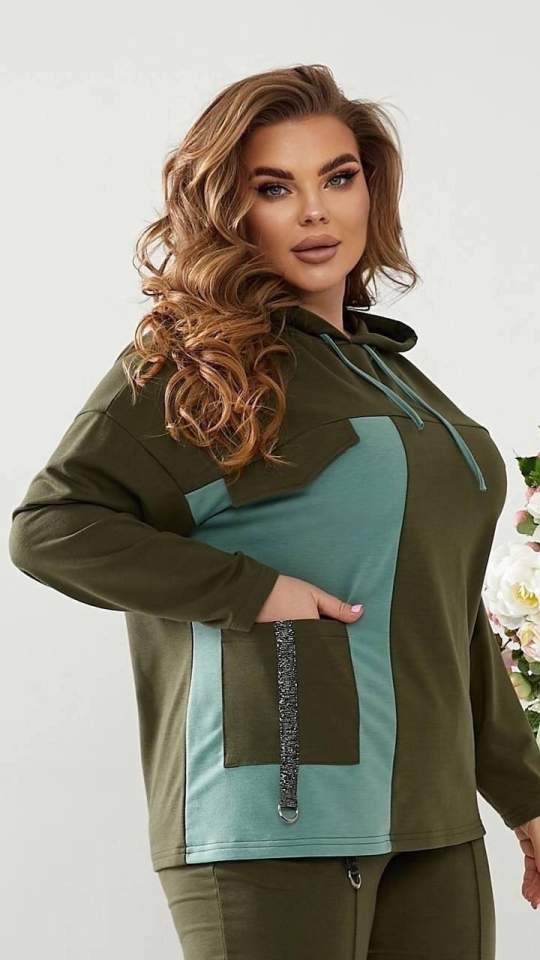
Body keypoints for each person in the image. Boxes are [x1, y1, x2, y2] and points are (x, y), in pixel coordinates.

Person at [9, 62, 540, 959]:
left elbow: (444, 608)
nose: (315, 212)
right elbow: (52, 526)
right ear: (231, 209)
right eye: (274, 187)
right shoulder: (199, 364)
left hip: (434, 818)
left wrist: (523, 795)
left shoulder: (394, 376)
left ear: (372, 189)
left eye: (339, 177)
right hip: (273, 817)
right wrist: (253, 591)